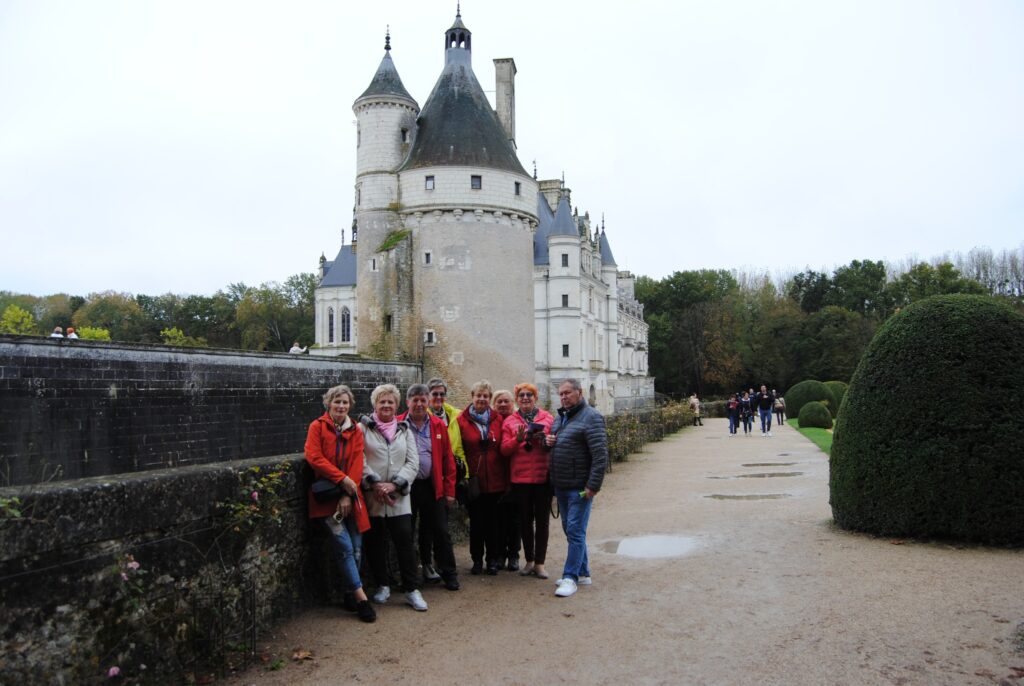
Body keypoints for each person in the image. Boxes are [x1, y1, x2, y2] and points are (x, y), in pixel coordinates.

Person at [304, 384, 376, 623]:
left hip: (351, 498)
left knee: (356, 548)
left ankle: (348, 594)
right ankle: (361, 598)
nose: (341, 406)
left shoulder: (355, 430)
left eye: (345, 403)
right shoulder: (317, 427)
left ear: (350, 405)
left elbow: (357, 462)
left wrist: (348, 492)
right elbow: (314, 457)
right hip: (326, 500)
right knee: (345, 547)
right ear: (328, 404)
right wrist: (341, 479)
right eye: (337, 402)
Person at [360, 384, 427, 611]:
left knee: (405, 544)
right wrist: (376, 484)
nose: (386, 405)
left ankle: (411, 589)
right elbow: (358, 459)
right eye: (382, 402)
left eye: (390, 402)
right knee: (376, 544)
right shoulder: (363, 429)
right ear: (374, 405)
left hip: (399, 499)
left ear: (397, 404)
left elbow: (413, 462)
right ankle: (382, 585)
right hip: (374, 499)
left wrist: (394, 485)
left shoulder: (404, 429)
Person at [546, 379, 608, 598]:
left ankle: (570, 577)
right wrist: (550, 442)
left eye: (567, 393)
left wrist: (593, 485)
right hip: (562, 485)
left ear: (579, 393)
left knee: (574, 530)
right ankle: (583, 573)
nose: (563, 397)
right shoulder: (561, 417)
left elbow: (600, 455)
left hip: (580, 487)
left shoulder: (591, 417)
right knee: (571, 530)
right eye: (560, 394)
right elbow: (554, 444)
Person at [400, 384, 460, 591]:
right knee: (407, 532)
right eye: (414, 400)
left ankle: (448, 572)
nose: (418, 404)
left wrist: (450, 491)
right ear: (407, 402)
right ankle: (410, 577)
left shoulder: (437, 425)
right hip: (404, 487)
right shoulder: (398, 423)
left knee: (440, 531)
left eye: (422, 400)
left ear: (427, 403)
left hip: (432, 485)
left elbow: (448, 461)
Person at [501, 382, 555, 579]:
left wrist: (547, 440)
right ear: (517, 399)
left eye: (529, 395)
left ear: (535, 398)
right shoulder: (509, 422)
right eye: (522, 395)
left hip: (542, 477)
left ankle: (540, 563)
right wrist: (518, 439)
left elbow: (555, 441)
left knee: (542, 522)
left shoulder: (548, 418)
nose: (525, 398)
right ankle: (529, 560)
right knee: (524, 521)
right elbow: (504, 450)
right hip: (521, 479)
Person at [457, 381, 507, 575]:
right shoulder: (462, 420)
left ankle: (492, 559)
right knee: (476, 523)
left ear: (490, 399)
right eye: (479, 395)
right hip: (474, 480)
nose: (482, 399)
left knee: (494, 523)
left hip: (495, 479)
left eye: (486, 396)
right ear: (472, 396)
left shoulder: (497, 419)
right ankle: (477, 560)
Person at [492, 389, 521, 571]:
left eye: (506, 401)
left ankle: (514, 554)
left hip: (516, 475)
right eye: (499, 401)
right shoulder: (491, 422)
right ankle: (500, 553)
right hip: (496, 477)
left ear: (513, 403)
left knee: (515, 519)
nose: (503, 404)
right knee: (498, 519)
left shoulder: (518, 421)